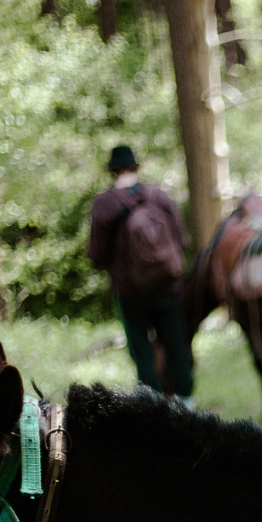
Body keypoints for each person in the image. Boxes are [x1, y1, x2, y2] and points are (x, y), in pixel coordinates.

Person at [88, 145, 195, 401]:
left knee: (141, 351)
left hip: (129, 291)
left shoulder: (104, 203)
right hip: (167, 287)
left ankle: (153, 404)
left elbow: (97, 255)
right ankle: (185, 401)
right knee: (175, 344)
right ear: (135, 167)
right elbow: (182, 241)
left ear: (113, 171)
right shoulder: (159, 196)